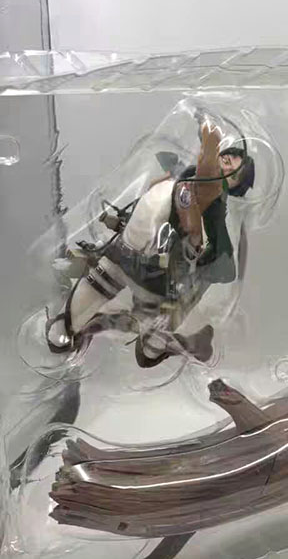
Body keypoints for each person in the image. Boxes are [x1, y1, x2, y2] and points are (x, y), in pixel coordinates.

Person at [45, 113, 255, 368]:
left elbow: (207, 164)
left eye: (233, 173)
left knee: (150, 332)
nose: (228, 166)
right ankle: (76, 327)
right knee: (90, 298)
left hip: (153, 272)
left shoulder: (212, 190)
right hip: (125, 252)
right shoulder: (183, 177)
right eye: (229, 159)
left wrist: (209, 132)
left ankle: (164, 341)